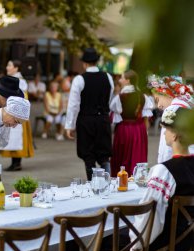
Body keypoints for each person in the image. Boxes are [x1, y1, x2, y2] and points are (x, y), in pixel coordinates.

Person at [129, 107, 194, 251]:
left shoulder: (164, 172)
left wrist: (135, 247)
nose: (164, 133)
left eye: (166, 130)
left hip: (166, 246)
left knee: (107, 240)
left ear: (175, 135)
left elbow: (150, 219)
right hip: (188, 244)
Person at [65, 48, 114, 180]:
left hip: (86, 120)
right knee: (104, 155)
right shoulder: (108, 77)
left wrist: (70, 125)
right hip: (103, 119)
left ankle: (93, 185)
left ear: (84, 63)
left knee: (88, 155)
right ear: (97, 61)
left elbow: (73, 105)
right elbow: (109, 98)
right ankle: (107, 183)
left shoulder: (79, 79)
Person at [110, 70, 153, 176]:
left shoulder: (119, 97)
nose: (120, 80)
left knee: (122, 156)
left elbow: (115, 112)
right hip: (139, 129)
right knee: (137, 156)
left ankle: (122, 178)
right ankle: (137, 178)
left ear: (127, 81)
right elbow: (145, 118)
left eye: (122, 78)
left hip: (124, 129)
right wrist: (145, 132)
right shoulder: (143, 96)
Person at [148, 75, 194, 163]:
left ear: (167, 94)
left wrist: (162, 166)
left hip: (177, 163)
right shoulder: (188, 106)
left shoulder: (171, 110)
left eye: (158, 100)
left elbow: (165, 149)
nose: (158, 106)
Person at [1, 60, 34, 171]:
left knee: (17, 138)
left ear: (16, 68)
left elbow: (22, 98)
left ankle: (17, 163)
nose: (7, 67)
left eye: (9, 65)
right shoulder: (14, 79)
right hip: (12, 112)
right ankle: (14, 162)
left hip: (17, 113)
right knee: (12, 138)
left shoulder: (20, 81)